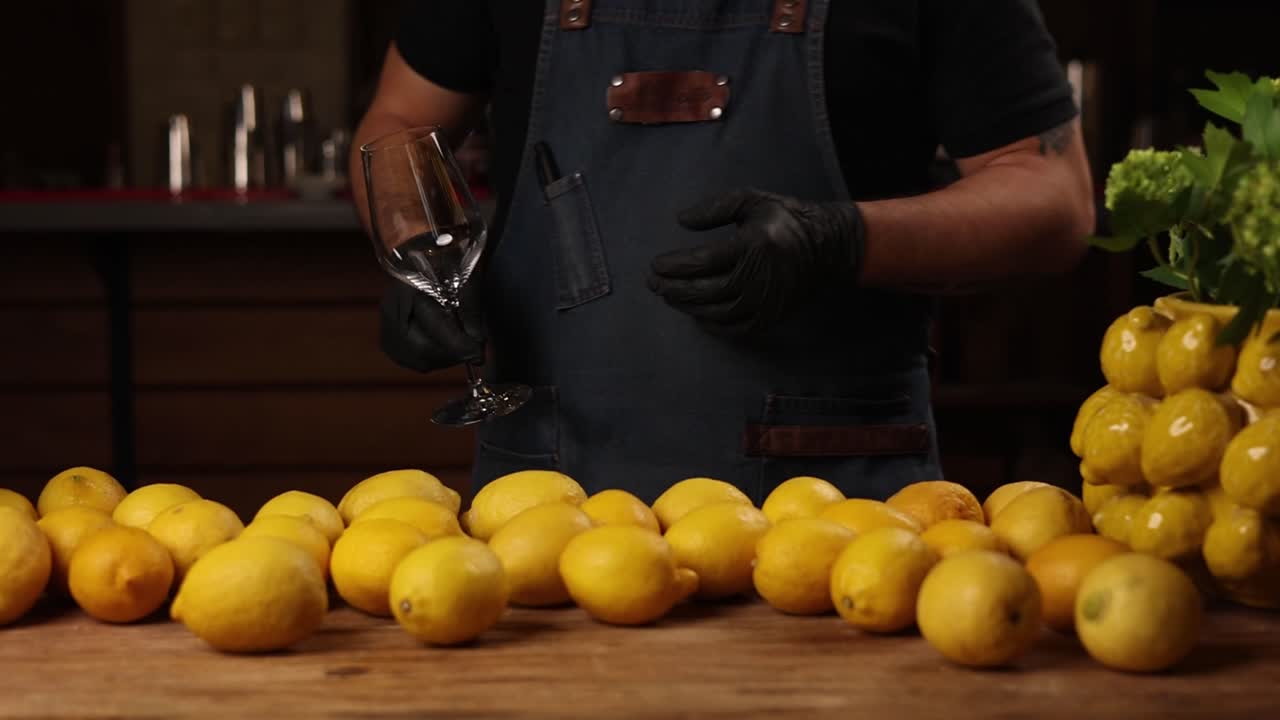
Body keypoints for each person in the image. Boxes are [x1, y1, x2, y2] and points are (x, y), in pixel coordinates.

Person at [350, 0, 1095, 505]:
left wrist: (843, 241)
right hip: (547, 508)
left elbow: (1054, 201)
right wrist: (417, 244)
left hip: (839, 518)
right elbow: (401, 119)